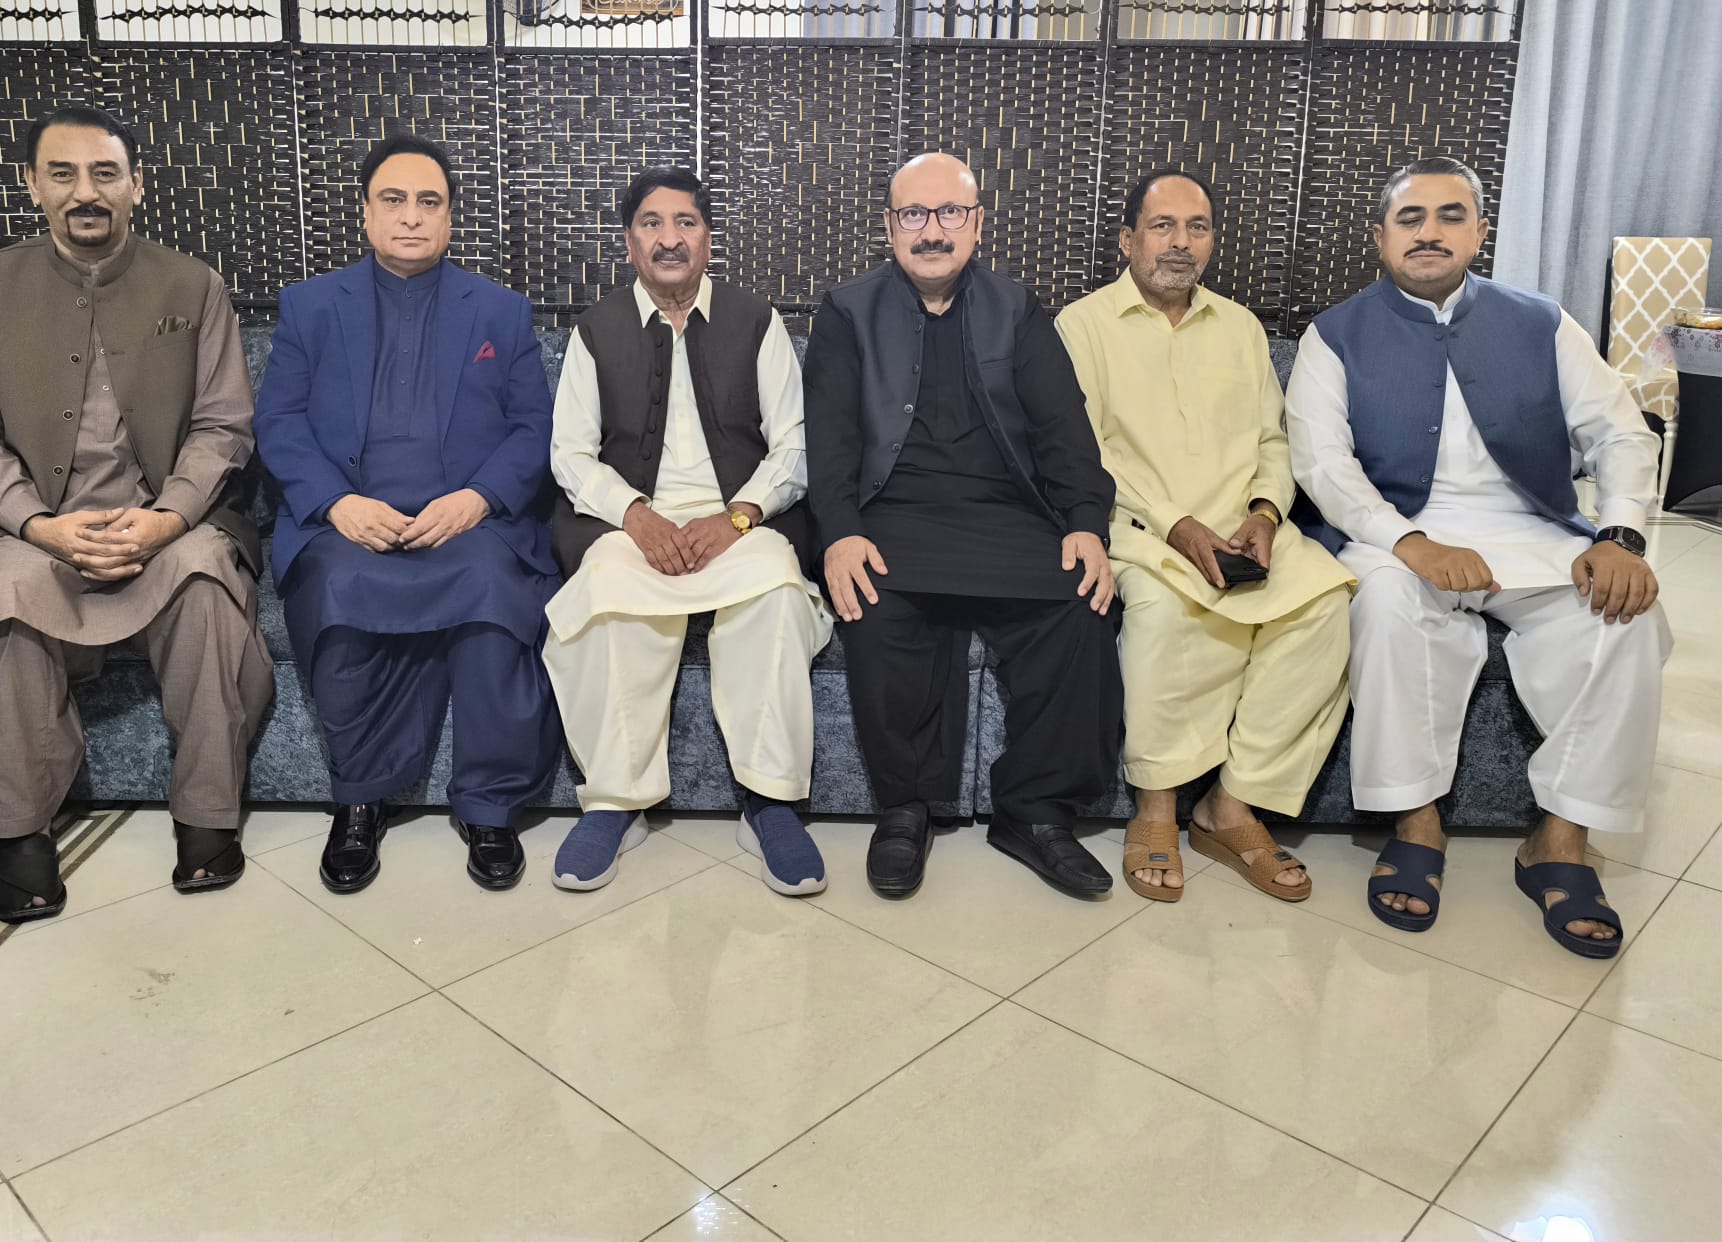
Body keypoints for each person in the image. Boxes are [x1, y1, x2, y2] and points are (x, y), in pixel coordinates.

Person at [1286, 155, 1670, 959]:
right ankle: (1415, 822)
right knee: (1386, 604)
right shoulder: (1335, 335)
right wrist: (1410, 542)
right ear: (1381, 237)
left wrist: (1619, 535)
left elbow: (1621, 432)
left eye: (1450, 216)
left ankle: (1560, 839)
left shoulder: (1544, 322)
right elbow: (1323, 466)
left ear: (1480, 232)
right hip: (1398, 532)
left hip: (1535, 531)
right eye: (1410, 218)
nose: (1429, 233)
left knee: (1628, 618)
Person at [0, 104, 274, 924]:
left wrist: (168, 518)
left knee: (204, 579)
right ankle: (20, 831)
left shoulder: (192, 285)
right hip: (38, 528)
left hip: (166, 521)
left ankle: (207, 812)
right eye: (63, 174)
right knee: (7, 592)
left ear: (136, 186)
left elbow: (223, 426)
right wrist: (37, 525)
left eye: (104, 174)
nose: (84, 192)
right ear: (32, 186)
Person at [803, 152, 1123, 901]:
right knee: (875, 605)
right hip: (892, 515)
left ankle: (1035, 811)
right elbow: (829, 438)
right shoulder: (847, 310)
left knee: (1081, 606)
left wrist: (1085, 523)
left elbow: (1064, 429)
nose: (932, 230)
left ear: (978, 224)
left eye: (950, 212)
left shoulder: (1018, 308)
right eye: (914, 214)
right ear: (890, 226)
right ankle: (906, 807)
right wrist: (840, 531)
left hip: (1007, 517)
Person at [254, 133, 561, 894]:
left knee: (493, 590)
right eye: (393, 200)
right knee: (337, 588)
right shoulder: (310, 306)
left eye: (430, 202)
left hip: (469, 522)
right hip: (349, 523)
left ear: (451, 217)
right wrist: (337, 504)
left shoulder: (500, 312)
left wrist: (476, 498)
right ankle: (360, 799)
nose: (412, 217)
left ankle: (489, 806)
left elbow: (534, 429)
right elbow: (279, 421)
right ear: (364, 213)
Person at [1057, 170, 1353, 903]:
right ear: (1127, 239)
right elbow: (1082, 451)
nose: (1180, 243)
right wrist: (1177, 525)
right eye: (1162, 226)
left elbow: (1273, 440)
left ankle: (1232, 804)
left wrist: (1265, 513)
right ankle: (1156, 806)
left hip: (1243, 528)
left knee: (1324, 607)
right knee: (1164, 612)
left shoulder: (1242, 327)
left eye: (1197, 227)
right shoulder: (1081, 326)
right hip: (1140, 529)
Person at [543, 169, 831, 895]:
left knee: (775, 593)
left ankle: (769, 802)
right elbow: (570, 453)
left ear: (707, 238)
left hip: (738, 520)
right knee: (608, 595)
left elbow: (795, 445)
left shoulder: (756, 320)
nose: (668, 239)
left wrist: (738, 517)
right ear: (629, 240)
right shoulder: (595, 329)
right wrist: (635, 515)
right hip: (630, 523)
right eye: (651, 223)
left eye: (685, 223)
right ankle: (616, 802)